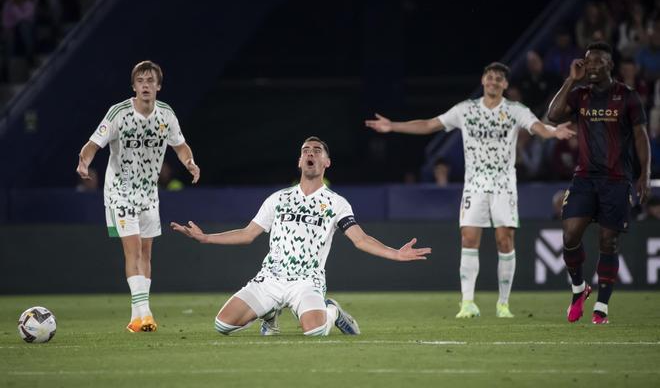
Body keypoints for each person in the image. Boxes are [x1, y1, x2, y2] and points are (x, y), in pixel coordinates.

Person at [365, 62, 575, 319]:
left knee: (504, 241)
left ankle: (503, 304)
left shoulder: (515, 111)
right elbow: (430, 124)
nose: (494, 81)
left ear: (505, 85)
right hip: (474, 186)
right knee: (468, 239)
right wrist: (393, 126)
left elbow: (538, 128)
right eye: (490, 77)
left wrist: (554, 132)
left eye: (499, 78)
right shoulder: (466, 110)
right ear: (483, 80)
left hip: (503, 186)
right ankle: (467, 303)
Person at [171, 136, 431, 337]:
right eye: (306, 150)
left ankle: (333, 312)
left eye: (317, 151)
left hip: (306, 282)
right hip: (270, 278)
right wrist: (206, 238)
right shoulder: (279, 198)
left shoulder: (335, 203)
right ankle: (270, 313)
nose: (310, 153)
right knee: (221, 325)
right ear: (299, 161)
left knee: (315, 331)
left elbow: (360, 239)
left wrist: (395, 253)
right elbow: (248, 234)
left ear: (327, 162)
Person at [76, 60, 200, 333]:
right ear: (134, 87)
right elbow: (93, 144)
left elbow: (180, 146)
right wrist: (84, 162)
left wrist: (189, 162)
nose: (145, 85)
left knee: (146, 253)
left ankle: (136, 319)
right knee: (132, 249)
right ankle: (145, 313)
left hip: (148, 194)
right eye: (140, 81)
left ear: (158, 86)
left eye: (150, 80)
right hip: (119, 191)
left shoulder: (165, 114)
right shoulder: (119, 113)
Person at [547, 42, 651, 324]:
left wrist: (644, 174)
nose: (592, 66)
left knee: (609, 241)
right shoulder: (580, 95)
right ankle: (579, 289)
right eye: (588, 61)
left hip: (616, 179)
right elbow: (553, 116)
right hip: (584, 177)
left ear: (610, 65)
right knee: (569, 235)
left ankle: (601, 308)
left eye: (598, 62)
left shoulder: (627, 97)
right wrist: (571, 79)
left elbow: (641, 136)